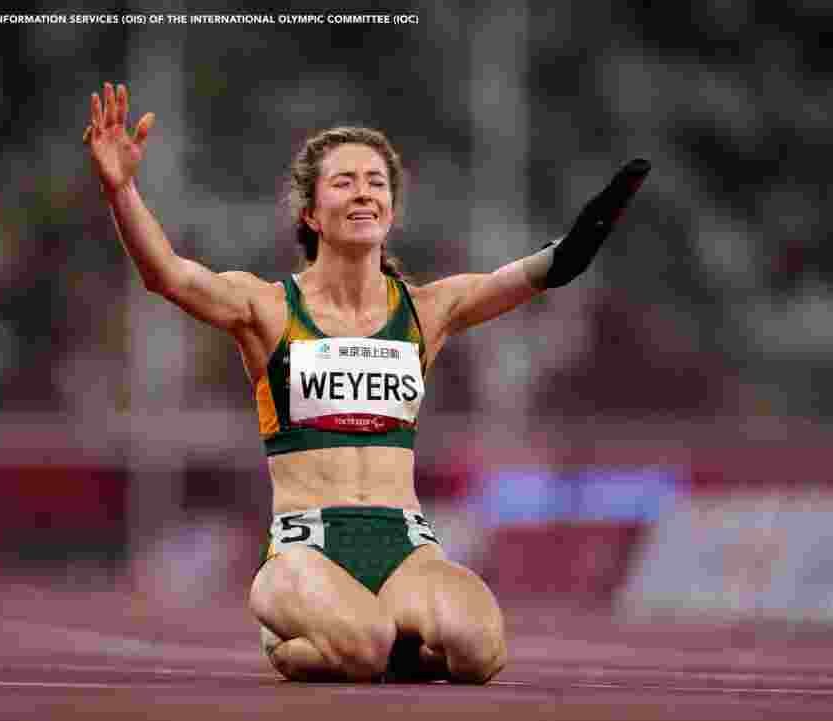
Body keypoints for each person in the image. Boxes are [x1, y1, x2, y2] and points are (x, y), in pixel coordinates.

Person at [84, 82, 649, 684]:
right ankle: (292, 639)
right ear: (310, 213)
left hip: (403, 544)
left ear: (391, 210)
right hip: (304, 551)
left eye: (376, 182)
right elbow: (166, 275)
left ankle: (367, 638)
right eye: (344, 182)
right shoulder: (269, 310)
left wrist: (601, 217)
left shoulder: (428, 311)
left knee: (479, 651)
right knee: (365, 646)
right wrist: (121, 188)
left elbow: (550, 267)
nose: (363, 193)